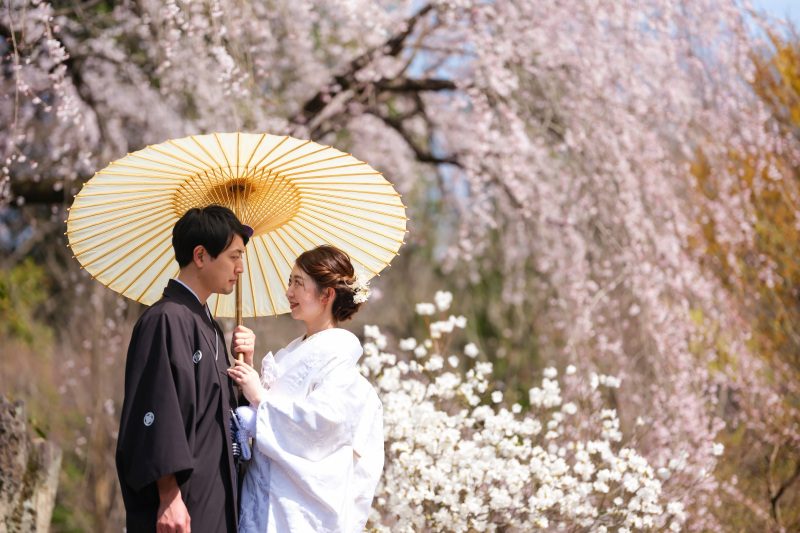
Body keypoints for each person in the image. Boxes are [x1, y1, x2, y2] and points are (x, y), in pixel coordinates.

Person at [116, 205, 256, 533]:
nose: (241, 268)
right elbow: (157, 409)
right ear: (201, 255)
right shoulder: (166, 318)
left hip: (216, 492)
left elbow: (221, 418)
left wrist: (244, 370)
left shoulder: (207, 324)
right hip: (184, 502)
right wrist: (169, 496)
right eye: (234, 257)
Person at [227, 245, 384, 533]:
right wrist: (248, 364)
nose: (288, 292)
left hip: (295, 507)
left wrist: (260, 398)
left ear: (327, 295)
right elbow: (265, 412)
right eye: (289, 282)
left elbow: (322, 425)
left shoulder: (338, 354)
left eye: (298, 283)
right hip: (265, 493)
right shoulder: (294, 351)